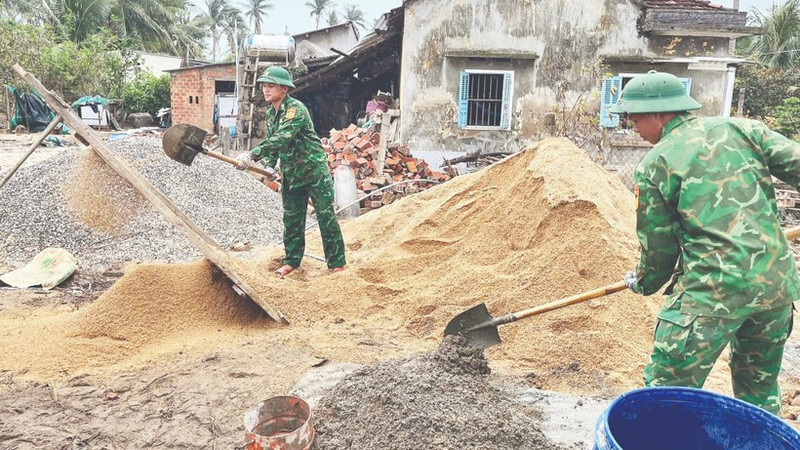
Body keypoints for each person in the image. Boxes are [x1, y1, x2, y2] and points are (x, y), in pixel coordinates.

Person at [610, 70, 800, 415]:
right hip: (775, 288)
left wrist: (643, 282)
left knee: (664, 396)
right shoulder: (743, 129)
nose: (633, 128)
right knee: (758, 396)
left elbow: (659, 250)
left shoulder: (656, 163)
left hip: (712, 292)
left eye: (635, 119)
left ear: (659, 113)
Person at [235, 66, 346, 278]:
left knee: (325, 217)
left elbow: (282, 137)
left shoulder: (296, 109)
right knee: (292, 220)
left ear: (284, 89)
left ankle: (337, 263)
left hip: (313, 172)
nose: (266, 90)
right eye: (264, 86)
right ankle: (292, 262)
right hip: (292, 174)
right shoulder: (270, 114)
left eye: (271, 86)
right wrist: (269, 165)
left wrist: (251, 155)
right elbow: (274, 143)